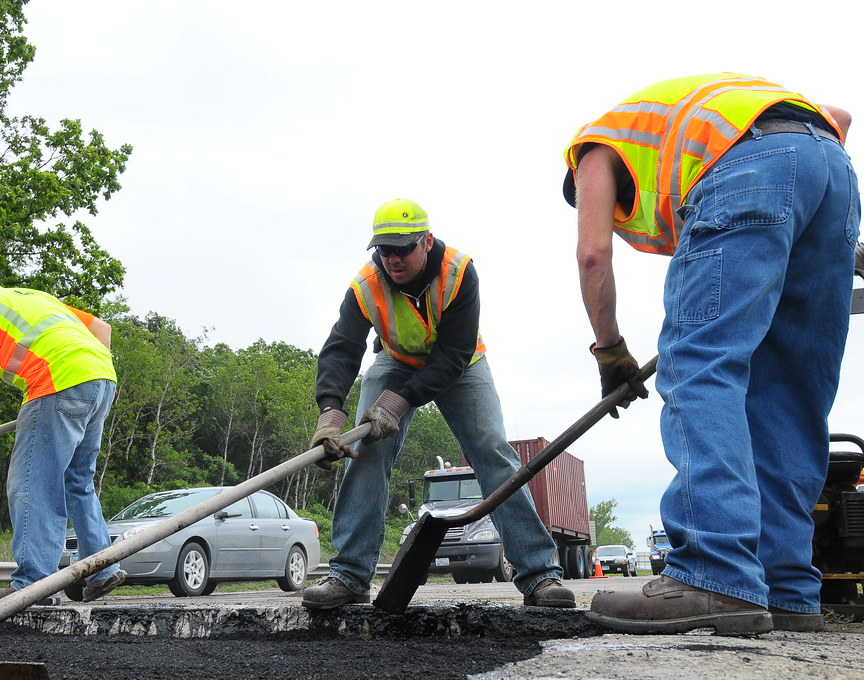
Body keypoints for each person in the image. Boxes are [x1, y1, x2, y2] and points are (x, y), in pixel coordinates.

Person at [563, 73, 861, 634]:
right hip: (834, 175)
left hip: (745, 172)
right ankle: (784, 588)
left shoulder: (594, 147)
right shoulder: (707, 111)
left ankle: (714, 572)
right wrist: (809, 203)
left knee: (701, 365)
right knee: (791, 390)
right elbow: (838, 117)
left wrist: (611, 352)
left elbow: (592, 256)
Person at [302, 198, 575, 610]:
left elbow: (452, 356)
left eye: (402, 248)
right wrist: (330, 414)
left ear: (426, 241)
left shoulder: (459, 272)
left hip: (460, 363)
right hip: (396, 361)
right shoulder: (365, 285)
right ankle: (350, 576)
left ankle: (539, 576)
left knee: (492, 452)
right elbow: (341, 350)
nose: (392, 258)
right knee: (367, 453)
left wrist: (401, 401)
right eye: (384, 249)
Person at [0, 260, 127, 606]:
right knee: (76, 481)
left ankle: (35, 584)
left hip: (56, 384)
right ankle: (103, 569)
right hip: (101, 380)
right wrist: (88, 375)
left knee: (33, 483)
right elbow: (102, 328)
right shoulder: (32, 296)